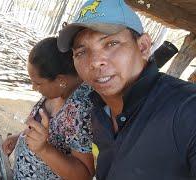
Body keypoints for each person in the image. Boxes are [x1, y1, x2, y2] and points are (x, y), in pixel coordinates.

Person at [56, 0, 196, 179]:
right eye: (81, 52)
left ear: (143, 46)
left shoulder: (187, 110)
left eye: (111, 43)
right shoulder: (98, 112)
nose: (94, 61)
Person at [2, 37, 95, 179]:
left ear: (60, 80)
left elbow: (84, 175)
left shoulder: (81, 109)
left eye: (38, 83)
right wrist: (20, 137)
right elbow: (46, 130)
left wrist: (43, 149)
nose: (34, 88)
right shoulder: (57, 91)